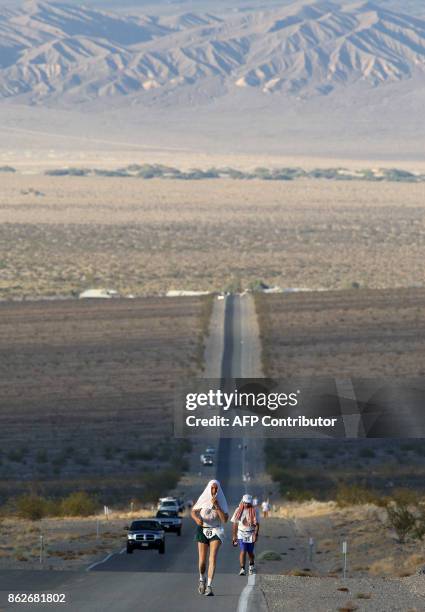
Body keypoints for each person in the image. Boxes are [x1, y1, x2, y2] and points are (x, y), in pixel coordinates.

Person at [191, 479, 229, 597]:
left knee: (212, 558)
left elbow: (225, 520)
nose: (214, 490)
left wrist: (217, 506)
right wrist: (196, 519)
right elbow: (193, 511)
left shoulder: (221, 501)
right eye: (212, 488)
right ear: (209, 489)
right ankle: (202, 579)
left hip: (216, 530)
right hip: (203, 529)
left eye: (216, 488)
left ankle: (209, 586)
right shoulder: (203, 499)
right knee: (202, 561)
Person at [231, 494, 260, 576]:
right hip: (241, 533)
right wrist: (234, 536)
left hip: (251, 533)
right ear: (242, 502)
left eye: (248, 503)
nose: (246, 504)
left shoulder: (255, 511)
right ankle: (242, 568)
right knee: (243, 550)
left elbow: (257, 524)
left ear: (251, 503)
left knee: (250, 552)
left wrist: (256, 534)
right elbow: (235, 523)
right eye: (245, 503)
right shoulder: (238, 510)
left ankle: (251, 565)